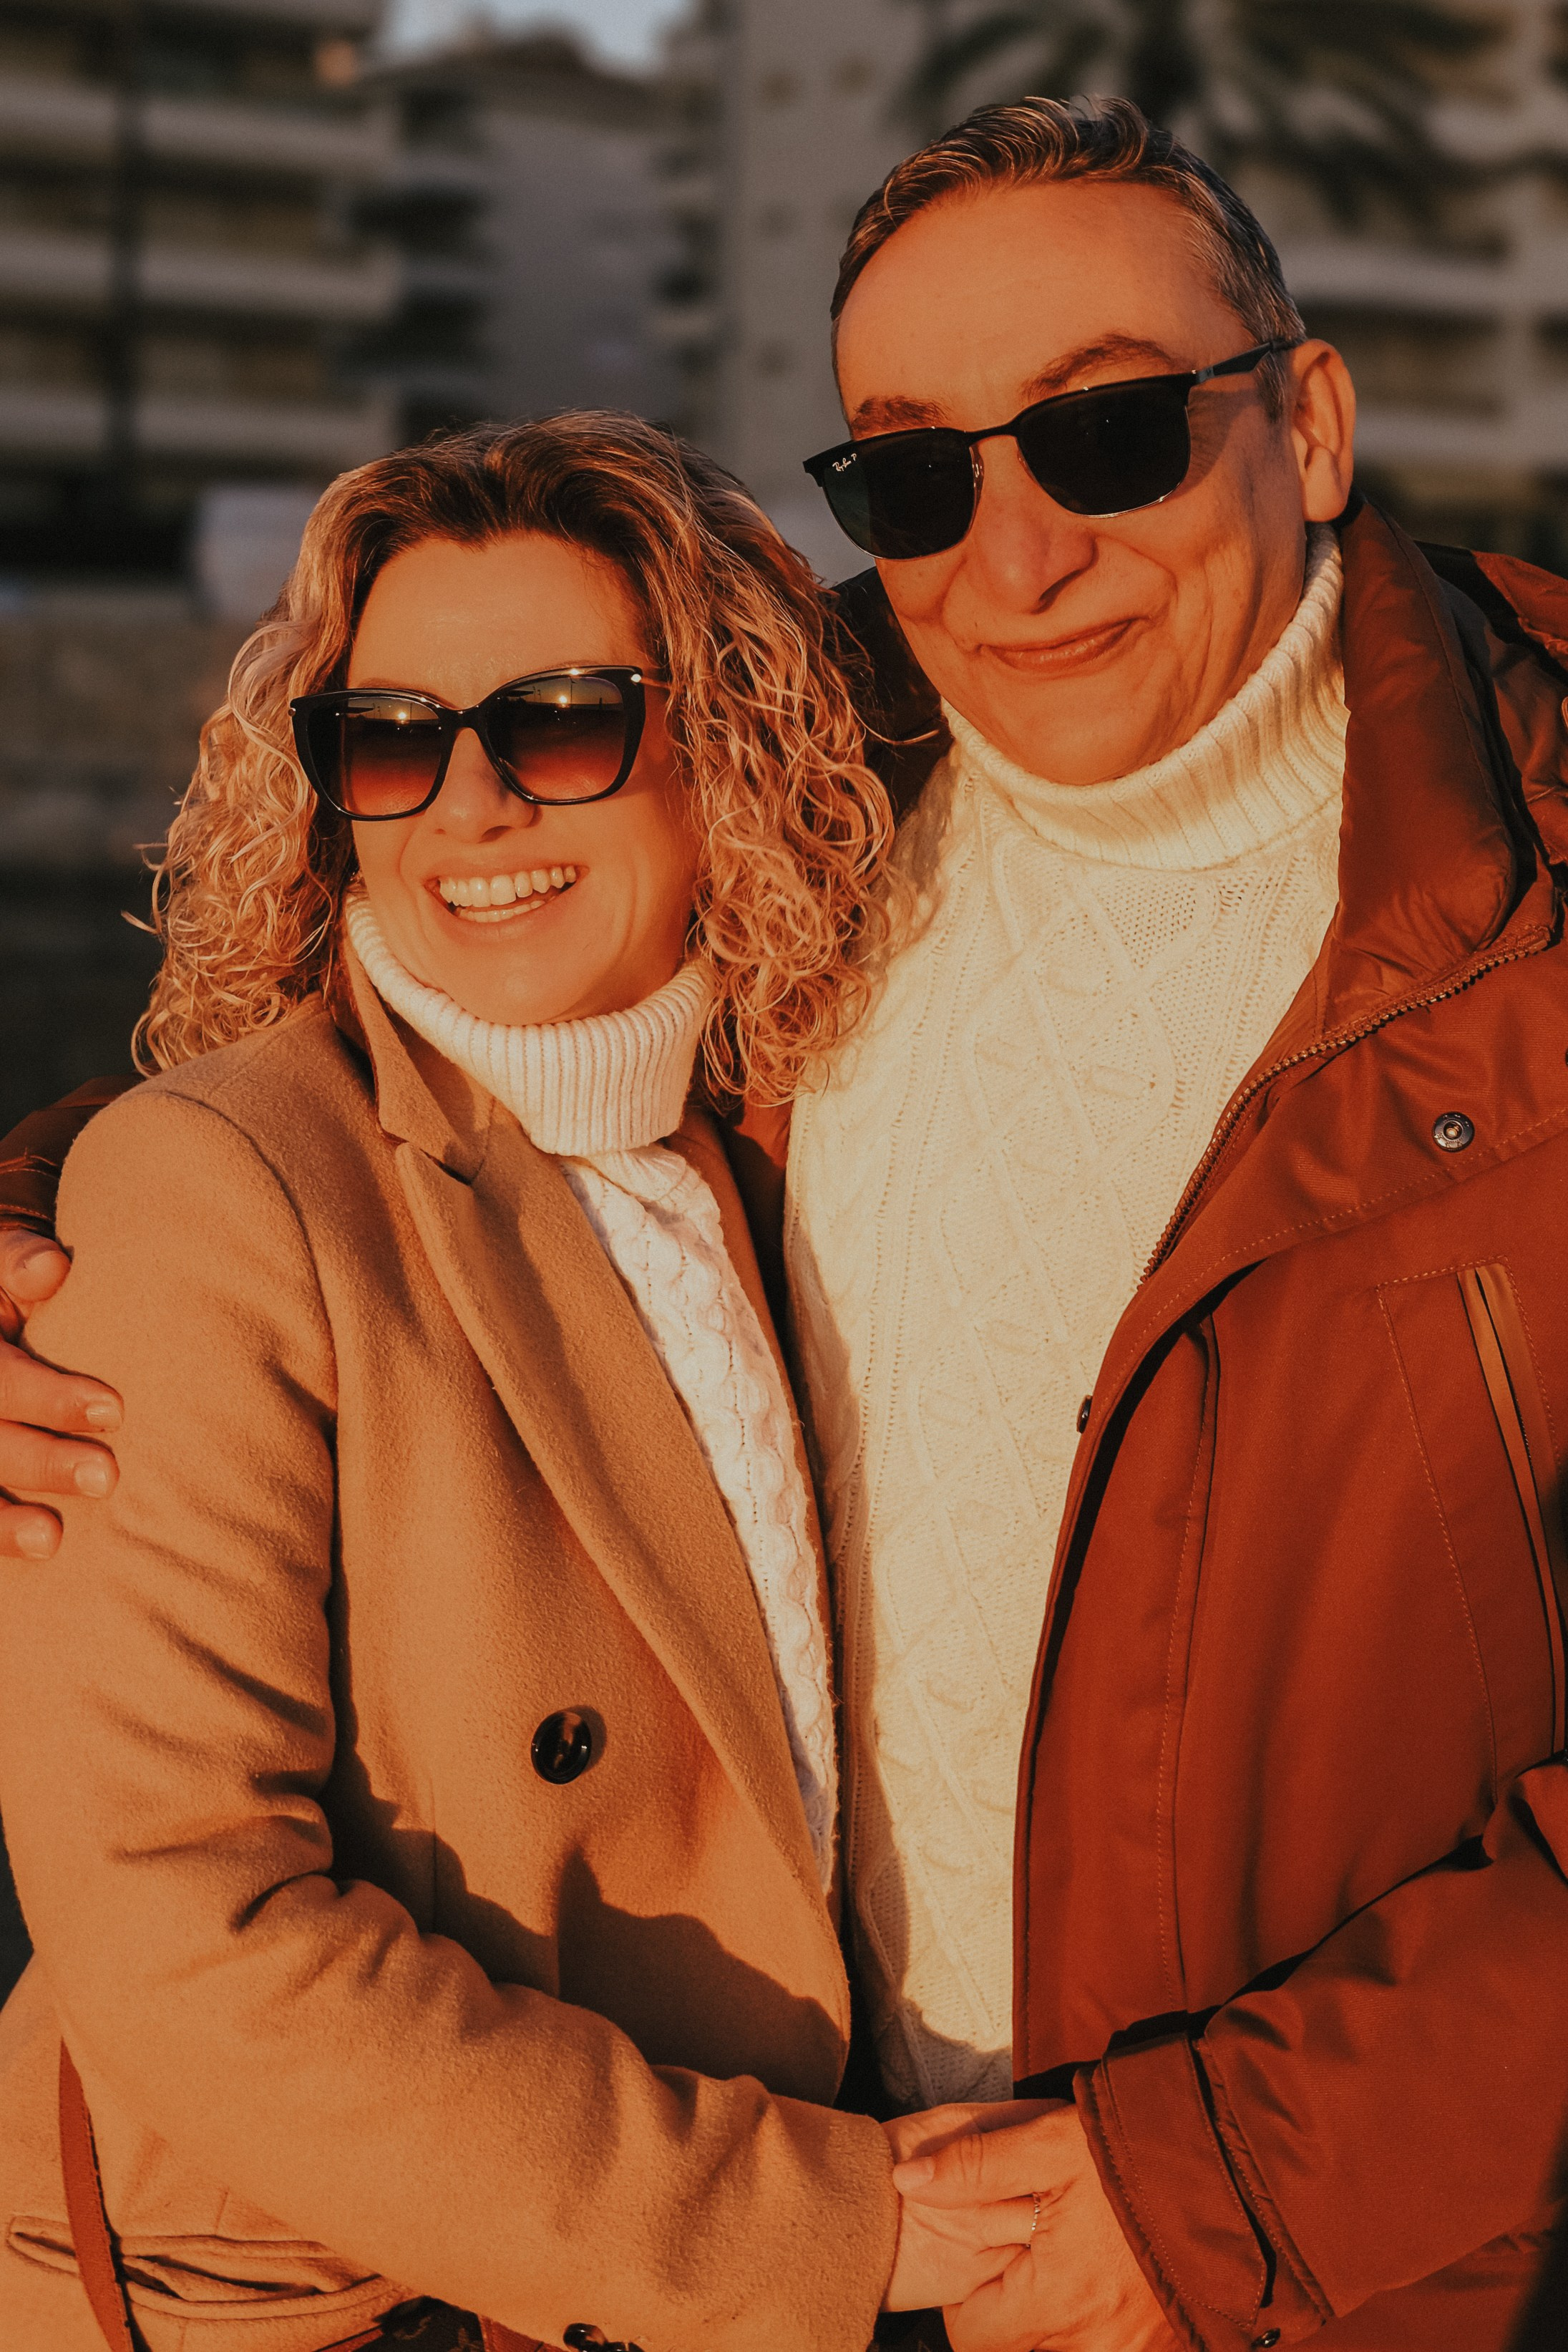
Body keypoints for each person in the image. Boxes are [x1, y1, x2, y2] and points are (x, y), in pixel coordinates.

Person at [7, 93, 1568, 2352]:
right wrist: (48, 1241)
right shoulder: (825, 787)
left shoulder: (1525, 899)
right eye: (914, 479)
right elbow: (404, 1095)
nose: (1014, 562)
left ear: (1310, 423)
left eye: (1109, 435)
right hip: (784, 2216)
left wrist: (1228, 2177)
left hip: (1283, 2260)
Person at [0, 415, 1035, 2352]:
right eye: (391, 739)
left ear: (724, 751)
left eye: (560, 722)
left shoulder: (762, 1153)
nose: (469, 804)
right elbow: (186, 1930)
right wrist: (819, 2225)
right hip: (327, 2303)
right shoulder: (217, 1190)